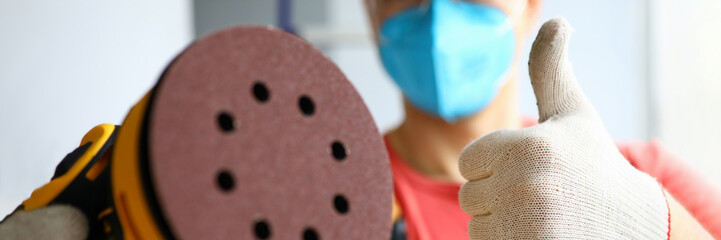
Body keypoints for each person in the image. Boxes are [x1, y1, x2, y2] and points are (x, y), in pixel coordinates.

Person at [364, 0, 721, 239]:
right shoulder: (333, 196)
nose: (439, 16)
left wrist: (642, 221)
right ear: (372, 11)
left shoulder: (646, 173)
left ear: (530, 5)